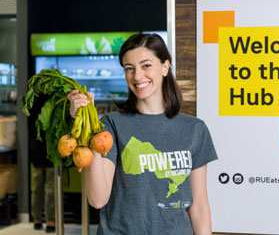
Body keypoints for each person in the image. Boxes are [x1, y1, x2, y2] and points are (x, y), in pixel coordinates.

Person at [68, 33, 218, 234]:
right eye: (129, 69)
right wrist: (89, 130)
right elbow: (97, 199)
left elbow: (198, 206)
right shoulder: (111, 125)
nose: (137, 76)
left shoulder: (195, 129)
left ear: (165, 66)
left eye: (146, 65)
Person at [28, 94, 56, 233]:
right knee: (51, 188)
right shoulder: (54, 101)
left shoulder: (32, 101)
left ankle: (36, 220)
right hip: (51, 150)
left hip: (35, 150)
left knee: (37, 187)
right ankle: (51, 221)